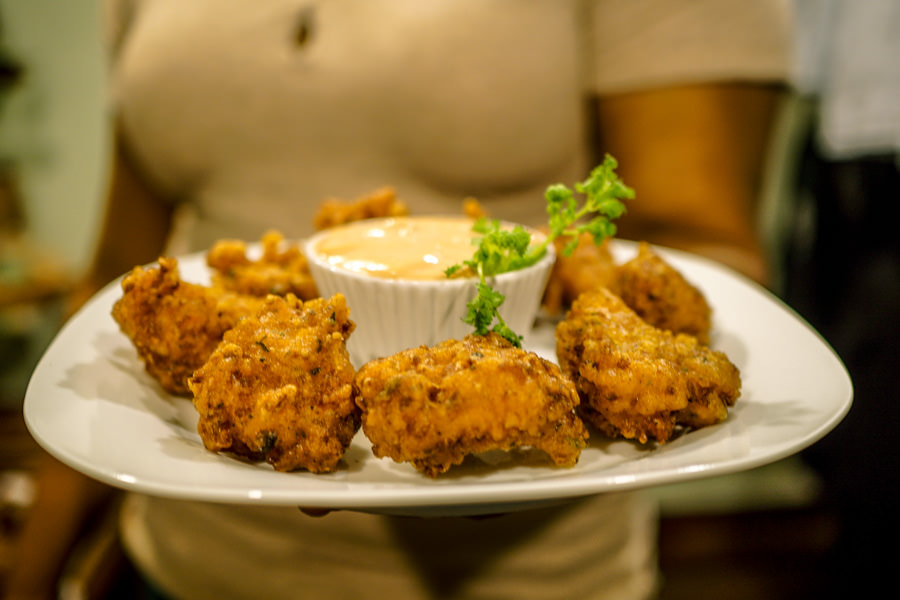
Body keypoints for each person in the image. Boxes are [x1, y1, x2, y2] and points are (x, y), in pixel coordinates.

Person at [6, 1, 792, 599]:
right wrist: (32, 570)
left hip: (535, 579)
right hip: (174, 561)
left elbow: (711, 245)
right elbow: (112, 283)